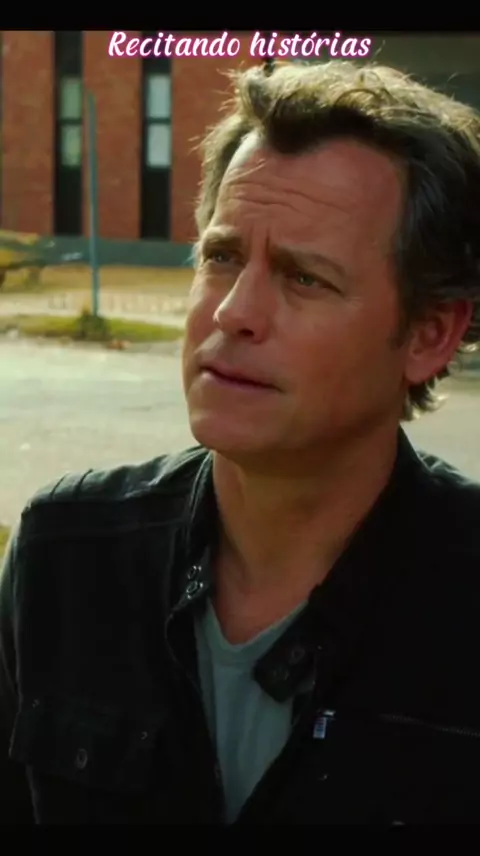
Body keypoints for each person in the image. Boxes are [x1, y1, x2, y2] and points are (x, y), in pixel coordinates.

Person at [1, 59, 480, 826]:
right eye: (221, 257)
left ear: (429, 334)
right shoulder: (67, 557)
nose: (234, 312)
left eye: (304, 278)